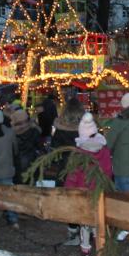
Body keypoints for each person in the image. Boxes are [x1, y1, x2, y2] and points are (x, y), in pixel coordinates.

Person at [64, 112, 112, 256]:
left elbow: (73, 174)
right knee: (98, 222)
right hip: (99, 190)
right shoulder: (104, 150)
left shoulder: (79, 153)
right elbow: (108, 170)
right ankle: (101, 251)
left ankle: (85, 253)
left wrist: (69, 190)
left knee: (85, 223)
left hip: (83, 192)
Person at [53, 98, 86, 246]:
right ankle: (86, 230)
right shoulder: (85, 128)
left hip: (66, 168)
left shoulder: (60, 129)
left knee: (69, 200)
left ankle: (73, 231)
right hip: (83, 167)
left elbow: (54, 150)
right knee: (84, 198)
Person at [104, 92, 129, 194]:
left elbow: (108, 144)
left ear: (123, 105)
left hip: (122, 168)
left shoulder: (120, 121)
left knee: (123, 202)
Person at [11, 109, 41, 181]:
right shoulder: (34, 131)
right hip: (33, 164)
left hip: (17, 167)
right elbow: (38, 145)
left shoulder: (12, 135)